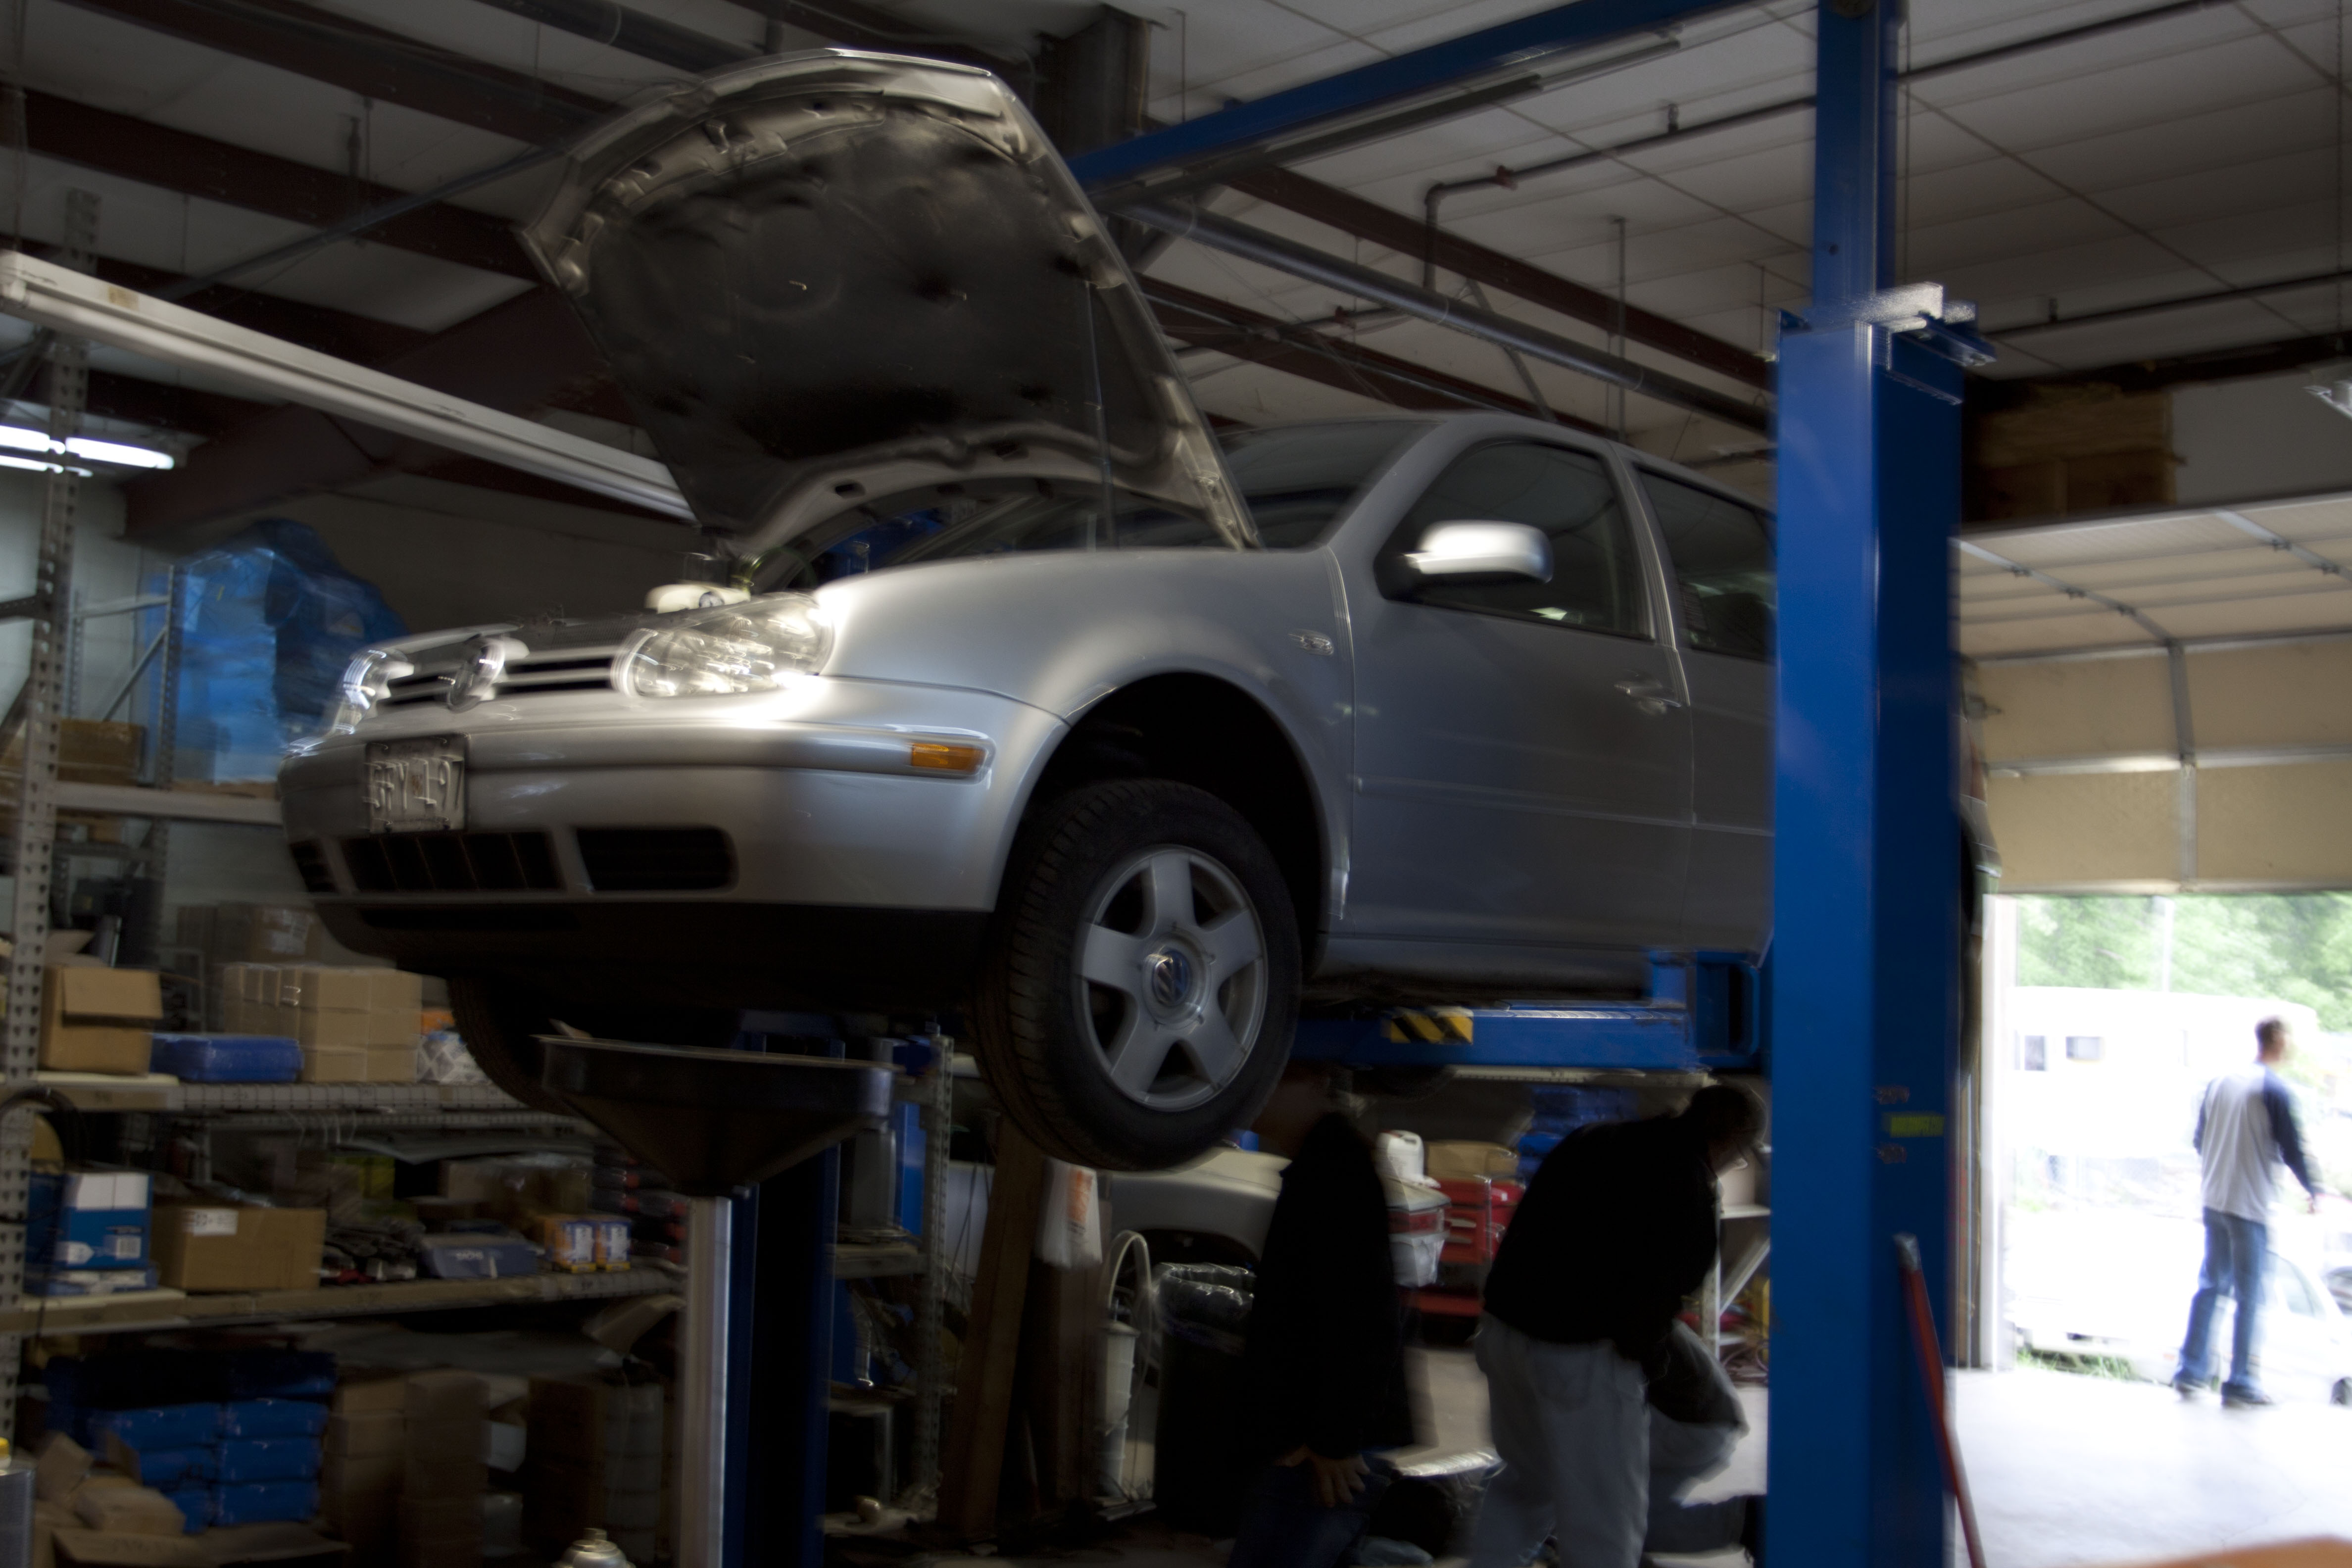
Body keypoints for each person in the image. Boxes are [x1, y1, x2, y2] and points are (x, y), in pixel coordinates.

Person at [1466, 1082, 1765, 1568]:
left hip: (1502, 1334)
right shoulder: (1688, 1183)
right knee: (1605, 1523)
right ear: (1733, 1141)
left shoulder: (1595, 1138)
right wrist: (1637, 1365)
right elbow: (1662, 1300)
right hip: (1579, 1356)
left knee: (1525, 1488)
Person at [1227, 1063, 1417, 1568]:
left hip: (1324, 1450)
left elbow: (1364, 1315)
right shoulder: (1323, 1163)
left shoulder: (1336, 1171)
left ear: (1316, 1081)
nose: (1249, 1085)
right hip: (1317, 1439)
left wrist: (1336, 1440)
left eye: (1272, 1073)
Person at [2174, 1017, 2322, 1408]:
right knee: (2251, 1297)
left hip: (2215, 1200)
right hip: (2249, 1206)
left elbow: (2199, 1140)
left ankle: (2190, 1372)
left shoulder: (2221, 1082)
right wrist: (2314, 1189)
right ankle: (2241, 1381)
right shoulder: (2272, 1089)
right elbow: (2292, 1149)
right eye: (2288, 1039)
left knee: (2211, 1286)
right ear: (2277, 1039)